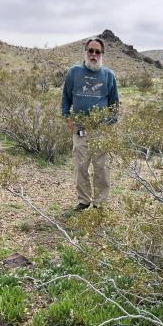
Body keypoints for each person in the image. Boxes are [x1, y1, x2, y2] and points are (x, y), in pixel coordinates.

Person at [61, 38, 119, 211]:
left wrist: (110, 123)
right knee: (81, 166)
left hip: (101, 129)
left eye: (97, 52)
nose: (93, 55)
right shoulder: (74, 72)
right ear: (85, 52)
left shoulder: (108, 75)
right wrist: (67, 117)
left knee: (101, 167)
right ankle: (84, 200)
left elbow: (114, 104)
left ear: (102, 54)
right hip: (80, 127)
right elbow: (65, 97)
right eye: (91, 51)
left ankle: (100, 203)